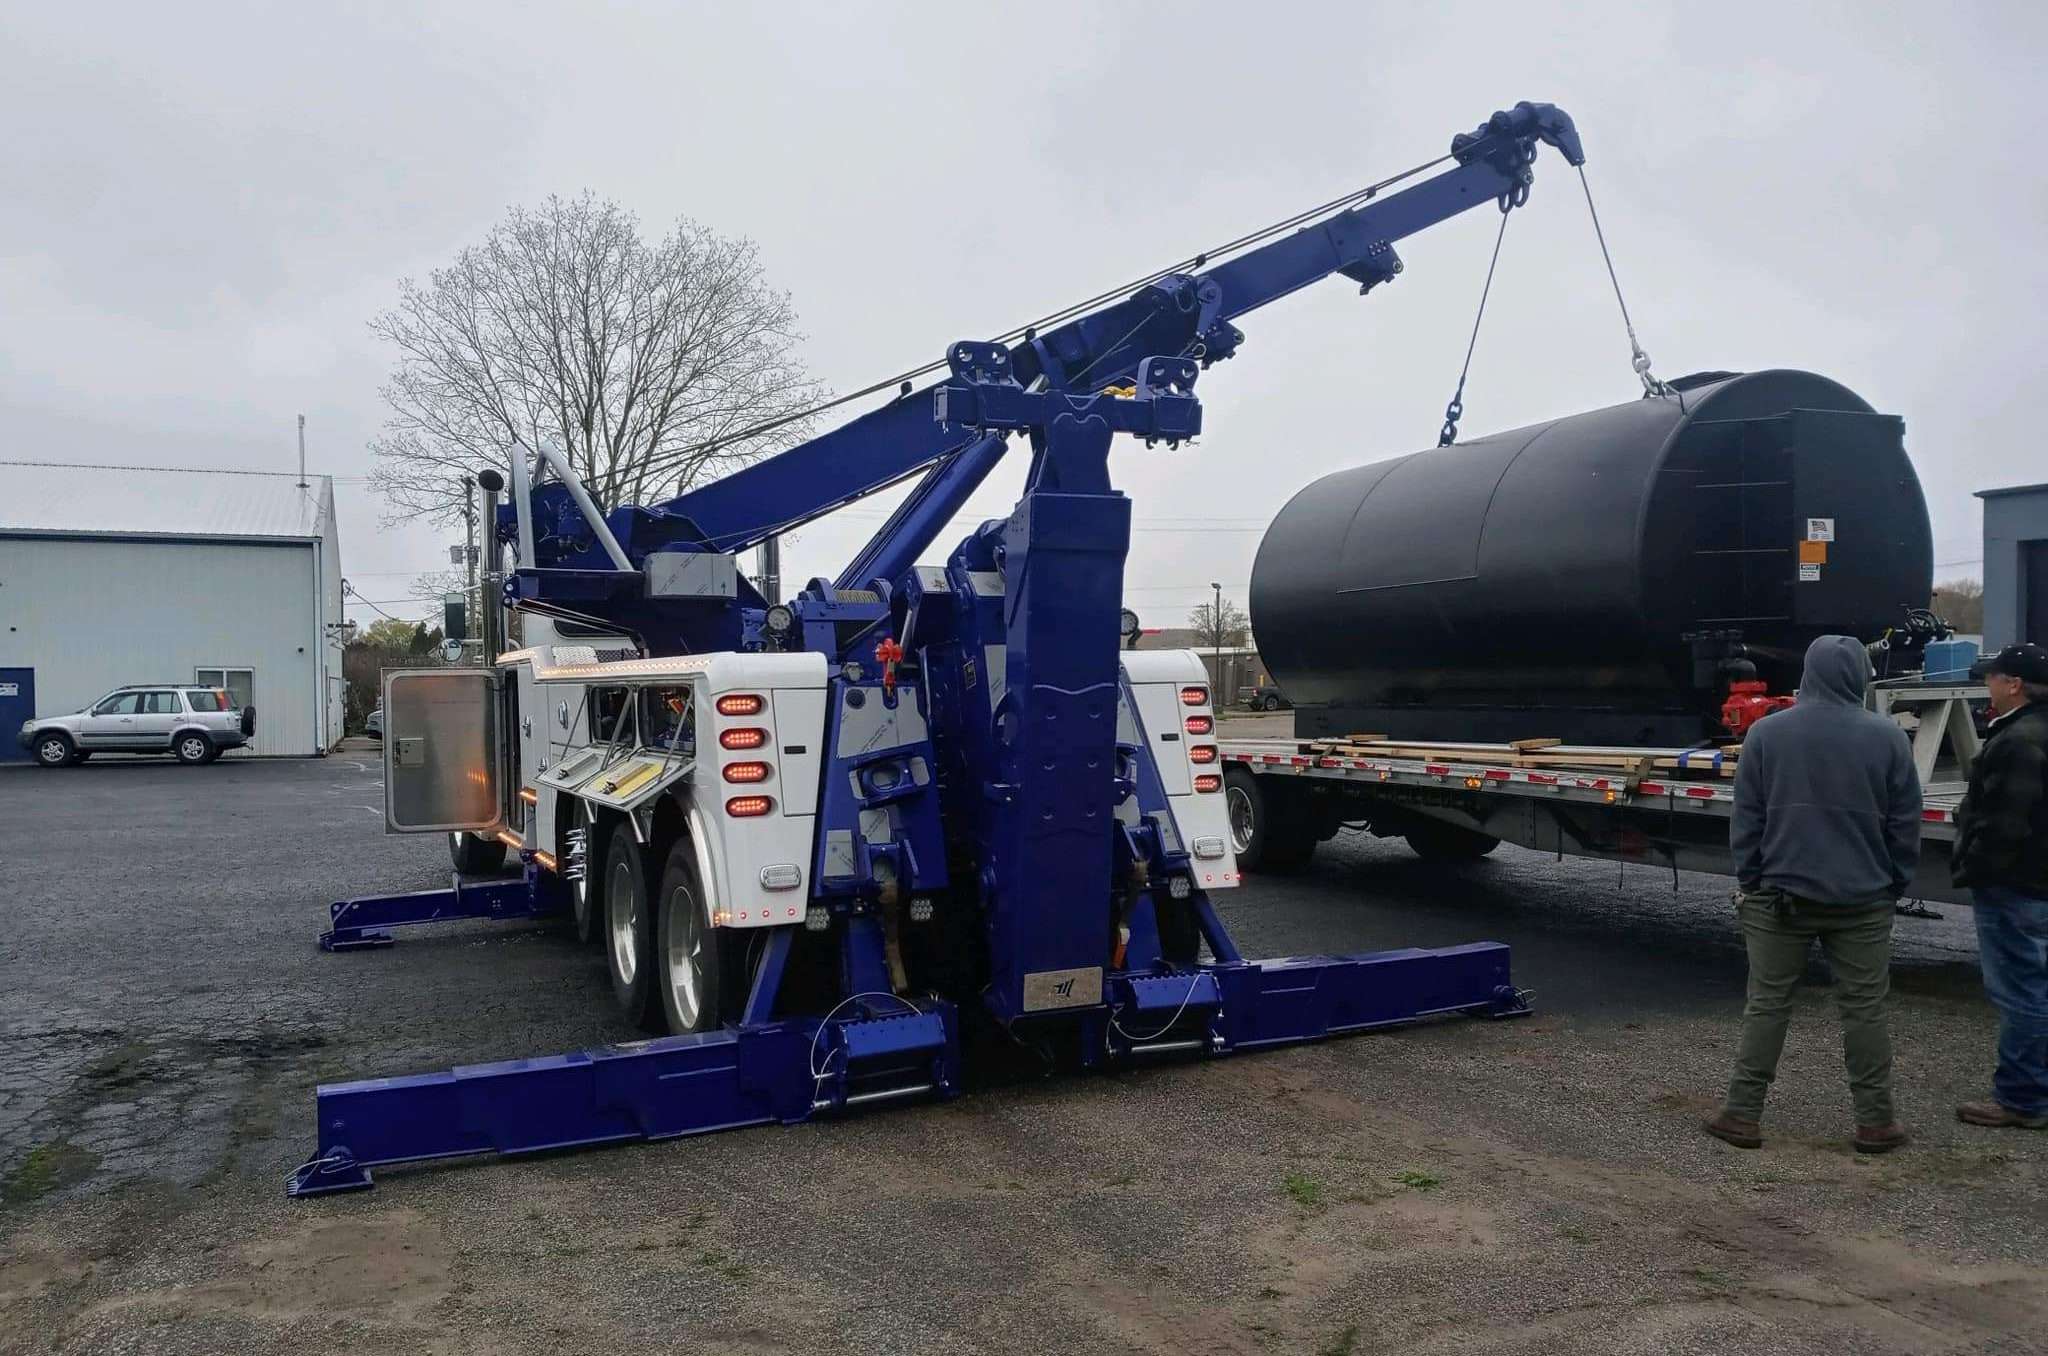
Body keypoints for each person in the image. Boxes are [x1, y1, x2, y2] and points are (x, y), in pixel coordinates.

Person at [1705, 635, 1921, 1154]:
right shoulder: (1887, 737)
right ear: (1861, 677)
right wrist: (1893, 880)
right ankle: (1875, 1122)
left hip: (1780, 898)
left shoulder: (1766, 735)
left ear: (1808, 673)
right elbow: (1905, 822)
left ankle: (1742, 1115)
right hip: (1863, 900)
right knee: (1865, 1009)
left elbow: (1747, 817)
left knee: (1768, 1004)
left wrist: (1752, 879)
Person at [1952, 641, 2048, 1131]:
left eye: (1992, 677)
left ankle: (2022, 1099)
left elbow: (2005, 823)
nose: (1986, 684)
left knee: (2021, 990)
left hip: (2016, 887)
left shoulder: (2016, 741)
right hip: (2038, 882)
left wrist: (1973, 866)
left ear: (2014, 684)